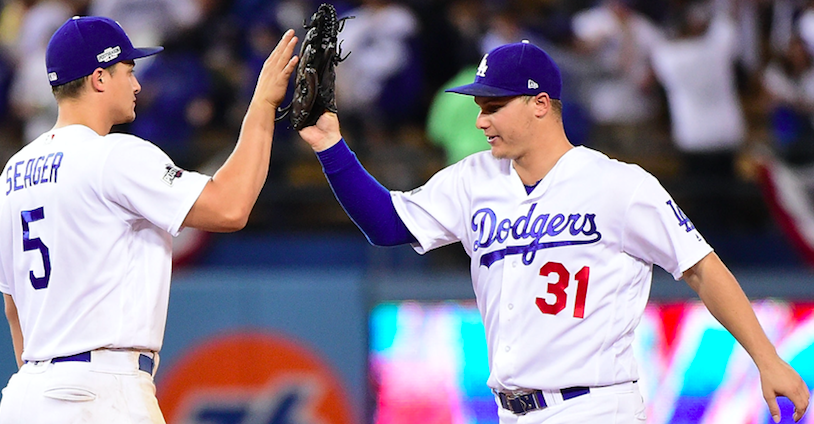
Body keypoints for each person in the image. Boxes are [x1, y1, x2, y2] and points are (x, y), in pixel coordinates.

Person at [297, 41, 810, 423]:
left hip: (595, 406)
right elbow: (388, 225)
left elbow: (702, 269)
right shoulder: (474, 179)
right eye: (479, 107)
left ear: (540, 104)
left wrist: (768, 360)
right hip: (512, 411)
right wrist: (330, 147)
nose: (480, 121)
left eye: (493, 106)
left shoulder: (618, 185)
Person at [0, 16, 298, 423]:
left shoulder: (9, 177)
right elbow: (230, 207)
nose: (137, 84)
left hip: (27, 395)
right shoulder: (112, 155)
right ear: (99, 78)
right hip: (100, 390)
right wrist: (262, 104)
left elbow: (14, 311)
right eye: (129, 70)